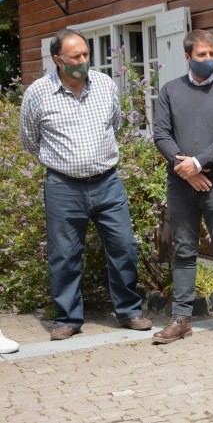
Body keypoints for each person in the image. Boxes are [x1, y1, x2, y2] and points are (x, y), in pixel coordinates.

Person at [19, 28, 152, 341]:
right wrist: (65, 161)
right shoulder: (38, 93)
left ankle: (130, 311)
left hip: (107, 182)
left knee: (123, 247)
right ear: (57, 60)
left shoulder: (105, 84)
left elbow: (115, 125)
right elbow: (30, 140)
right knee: (64, 254)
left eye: (85, 55)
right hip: (63, 186)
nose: (82, 61)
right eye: (74, 57)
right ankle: (67, 318)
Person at [152, 29, 213, 345]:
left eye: (212, 54)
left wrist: (197, 162)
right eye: (202, 55)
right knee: (183, 249)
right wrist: (187, 169)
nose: (209, 60)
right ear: (187, 57)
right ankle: (181, 319)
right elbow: (162, 135)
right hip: (181, 185)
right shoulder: (169, 91)